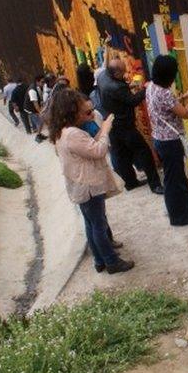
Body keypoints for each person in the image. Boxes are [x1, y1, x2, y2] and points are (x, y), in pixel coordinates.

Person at [47, 90, 133, 274]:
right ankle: (111, 262)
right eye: (84, 111)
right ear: (71, 111)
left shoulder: (63, 132)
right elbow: (98, 151)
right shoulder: (72, 134)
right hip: (88, 186)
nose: (89, 113)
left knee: (91, 224)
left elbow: (88, 149)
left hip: (80, 186)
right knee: (99, 226)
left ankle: (99, 260)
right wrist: (106, 129)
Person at [145, 55, 188, 226]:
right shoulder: (164, 92)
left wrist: (185, 95)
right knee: (173, 181)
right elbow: (185, 113)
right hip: (170, 142)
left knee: (176, 177)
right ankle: (178, 217)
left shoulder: (151, 87)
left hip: (159, 139)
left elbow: (165, 106)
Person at [97, 57, 162, 193]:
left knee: (122, 155)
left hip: (111, 122)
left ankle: (131, 182)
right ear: (115, 73)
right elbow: (132, 100)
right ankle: (155, 184)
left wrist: (128, 87)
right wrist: (146, 89)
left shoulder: (102, 76)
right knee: (144, 152)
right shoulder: (117, 87)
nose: (126, 74)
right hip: (124, 125)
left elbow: (119, 94)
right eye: (123, 72)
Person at [25, 75, 47, 142]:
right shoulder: (32, 90)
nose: (43, 84)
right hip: (31, 109)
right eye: (42, 82)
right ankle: (37, 137)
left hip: (34, 108)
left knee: (40, 122)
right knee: (39, 122)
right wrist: (41, 112)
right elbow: (35, 104)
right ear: (37, 81)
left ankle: (39, 134)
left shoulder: (38, 87)